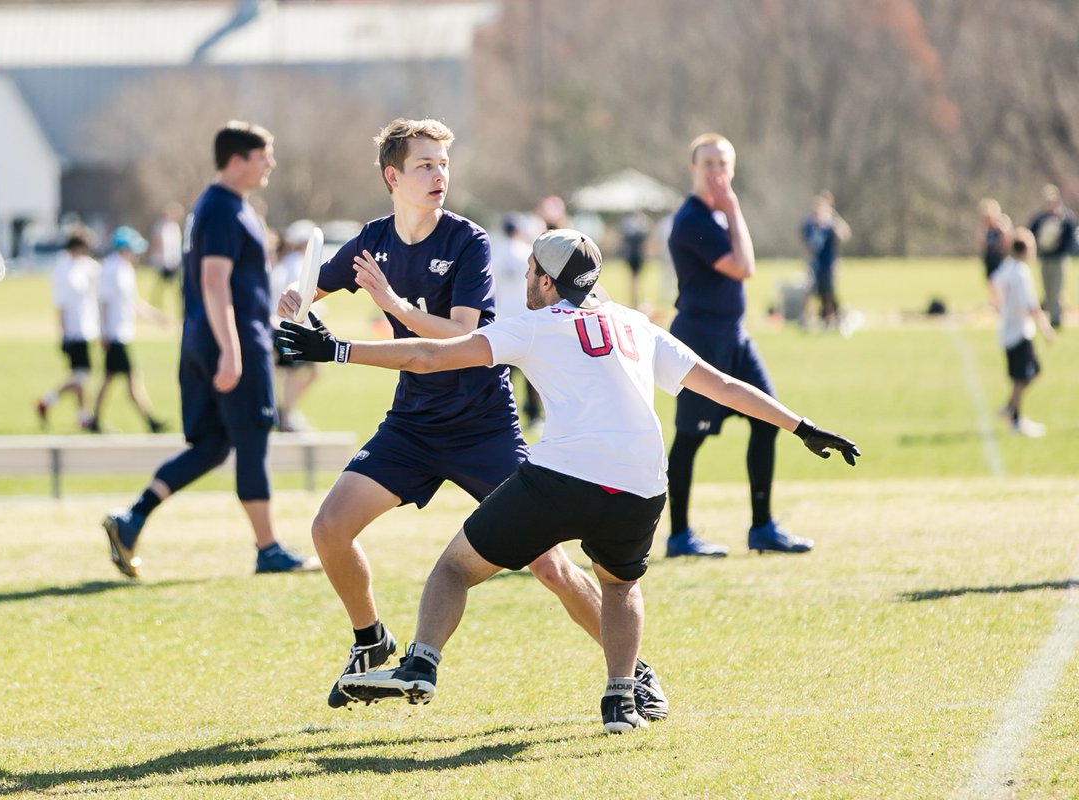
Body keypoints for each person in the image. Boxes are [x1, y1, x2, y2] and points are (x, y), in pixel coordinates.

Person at [277, 229, 859, 733]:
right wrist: (801, 425)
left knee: (455, 566)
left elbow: (429, 357)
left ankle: (421, 663)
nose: (526, 277)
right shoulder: (636, 325)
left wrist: (337, 348)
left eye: (532, 270)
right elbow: (724, 385)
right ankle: (619, 697)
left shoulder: (533, 327)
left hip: (562, 477)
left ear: (549, 282)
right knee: (619, 585)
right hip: (640, 485)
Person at [275, 118, 670, 719]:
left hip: (482, 424)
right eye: (424, 166)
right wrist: (295, 300)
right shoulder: (371, 241)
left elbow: (463, 334)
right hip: (412, 424)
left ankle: (634, 671)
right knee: (329, 529)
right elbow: (314, 290)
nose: (439, 176)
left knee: (550, 566)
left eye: (443, 165)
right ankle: (370, 641)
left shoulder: (468, 242)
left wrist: (394, 307)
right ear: (393, 176)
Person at [101, 121, 319, 578]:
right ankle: (269, 548)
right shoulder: (223, 208)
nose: (270, 165)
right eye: (264, 157)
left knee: (212, 444)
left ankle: (132, 517)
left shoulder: (216, 206)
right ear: (237, 160)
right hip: (230, 343)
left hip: (202, 339)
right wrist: (232, 349)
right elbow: (214, 281)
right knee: (254, 437)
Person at [664, 133, 808, 558]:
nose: (716, 172)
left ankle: (762, 527)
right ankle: (679, 535)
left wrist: (730, 211)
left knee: (768, 420)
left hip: (735, 337)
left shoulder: (720, 216)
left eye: (723, 164)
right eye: (707, 164)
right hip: (700, 338)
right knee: (690, 438)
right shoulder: (693, 220)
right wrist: (733, 207)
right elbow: (745, 267)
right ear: (693, 169)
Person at [90, 225, 169, 434]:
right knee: (132, 379)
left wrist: (157, 317)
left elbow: (134, 303)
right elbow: (103, 303)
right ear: (124, 249)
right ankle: (150, 420)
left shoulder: (126, 269)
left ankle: (94, 419)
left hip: (122, 332)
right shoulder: (111, 268)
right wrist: (104, 332)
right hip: (115, 334)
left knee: (108, 380)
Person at [992, 229, 1054, 437]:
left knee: (1031, 372)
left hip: (1008, 330)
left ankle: (1009, 407)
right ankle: (1015, 420)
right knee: (1021, 378)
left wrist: (1000, 307)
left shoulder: (1008, 267)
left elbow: (994, 283)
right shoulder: (1021, 272)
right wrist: (1046, 328)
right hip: (1019, 332)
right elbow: (1032, 306)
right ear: (1026, 249)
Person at [37, 228, 100, 430]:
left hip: (86, 326)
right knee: (81, 376)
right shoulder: (63, 269)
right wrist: (63, 333)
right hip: (74, 329)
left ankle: (82, 416)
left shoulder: (82, 265)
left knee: (80, 376)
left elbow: (98, 270)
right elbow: (61, 304)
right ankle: (47, 400)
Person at [490, 213, 542, 431]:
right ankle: (534, 416)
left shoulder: (495, 252)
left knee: (506, 375)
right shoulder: (526, 252)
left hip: (503, 319)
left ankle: (503, 416)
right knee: (532, 372)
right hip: (525, 317)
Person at [268, 220, 321, 432]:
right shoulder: (297, 264)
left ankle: (284, 411)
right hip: (290, 328)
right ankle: (286, 416)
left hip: (283, 326)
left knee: (288, 373)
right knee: (292, 374)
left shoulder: (287, 263)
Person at [799, 191, 851, 329]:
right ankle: (804, 319)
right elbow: (805, 242)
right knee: (808, 291)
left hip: (827, 264)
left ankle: (830, 320)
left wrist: (834, 217)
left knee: (827, 294)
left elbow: (844, 235)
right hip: (813, 264)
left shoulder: (830, 225)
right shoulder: (810, 225)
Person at [1027, 185, 1075, 329]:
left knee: (1057, 288)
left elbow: (1070, 236)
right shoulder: (1040, 219)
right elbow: (1031, 233)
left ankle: (1056, 318)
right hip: (1045, 257)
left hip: (1058, 258)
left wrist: (1059, 246)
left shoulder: (1065, 218)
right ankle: (1051, 315)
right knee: (1047, 289)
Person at [149, 200, 185, 310]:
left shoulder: (175, 226)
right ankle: (156, 303)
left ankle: (179, 305)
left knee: (177, 285)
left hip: (175, 260)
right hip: (163, 260)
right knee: (162, 284)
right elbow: (157, 242)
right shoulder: (161, 225)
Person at [619, 209, 651, 309]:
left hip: (639, 254)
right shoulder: (630, 226)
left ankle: (637, 298)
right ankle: (635, 299)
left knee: (638, 278)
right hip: (633, 255)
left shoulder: (640, 224)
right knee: (634, 278)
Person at [978, 198, 1011, 284]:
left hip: (998, 258)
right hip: (989, 257)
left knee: (999, 280)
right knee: (990, 281)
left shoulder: (1001, 227)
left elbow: (1006, 243)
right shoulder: (987, 229)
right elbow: (982, 243)